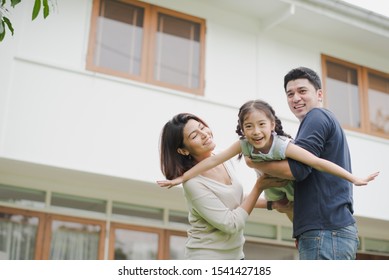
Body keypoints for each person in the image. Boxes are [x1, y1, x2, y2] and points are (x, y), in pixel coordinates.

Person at [157, 100, 378, 223]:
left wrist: (353, 178)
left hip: (286, 186)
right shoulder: (241, 146)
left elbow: (316, 162)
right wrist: (180, 179)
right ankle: (300, 234)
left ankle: (301, 232)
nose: (256, 131)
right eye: (249, 126)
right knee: (291, 211)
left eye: (202, 127)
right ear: (242, 129)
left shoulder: (282, 145)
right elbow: (207, 165)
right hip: (268, 191)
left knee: (296, 205)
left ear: (272, 124)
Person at [244, 67, 380, 260]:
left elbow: (297, 170)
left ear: (319, 94)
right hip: (329, 232)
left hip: (325, 232)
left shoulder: (316, 116)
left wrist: (253, 163)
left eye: (302, 91)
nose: (296, 98)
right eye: (290, 94)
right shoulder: (318, 121)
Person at [158, 113, 287, 260]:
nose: (204, 134)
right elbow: (231, 224)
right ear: (183, 150)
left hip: (236, 256)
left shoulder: (222, 158)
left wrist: (272, 204)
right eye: (194, 136)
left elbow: (234, 199)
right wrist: (259, 186)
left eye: (202, 127)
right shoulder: (193, 183)